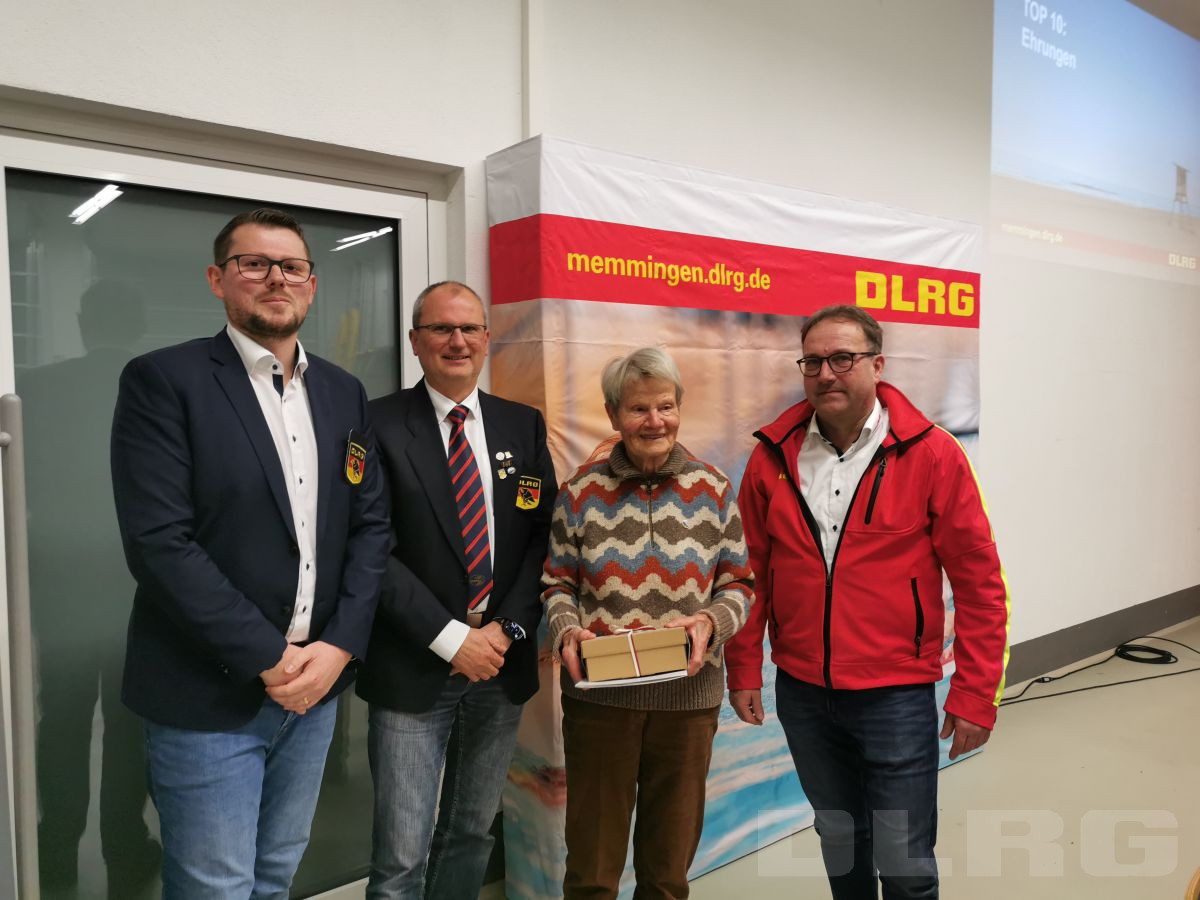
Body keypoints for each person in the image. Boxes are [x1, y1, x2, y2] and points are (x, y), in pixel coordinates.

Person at [110, 208, 391, 898]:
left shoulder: (343, 392)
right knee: (216, 886)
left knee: (275, 875)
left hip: (316, 691)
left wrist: (339, 647)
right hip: (207, 692)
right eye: (254, 264)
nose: (276, 279)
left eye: (292, 266)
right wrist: (272, 657)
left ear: (312, 285)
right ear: (218, 279)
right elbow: (160, 544)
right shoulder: (164, 381)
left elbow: (370, 528)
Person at [725, 304, 1010, 900]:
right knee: (841, 846)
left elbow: (980, 583)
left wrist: (976, 692)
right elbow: (751, 574)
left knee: (904, 865)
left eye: (842, 358)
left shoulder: (932, 454)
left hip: (895, 697)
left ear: (877, 365)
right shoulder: (772, 457)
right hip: (804, 693)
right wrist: (744, 667)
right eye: (813, 362)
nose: (826, 373)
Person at [355, 280, 556, 899]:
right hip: (414, 664)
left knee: (469, 834)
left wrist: (505, 631)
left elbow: (539, 539)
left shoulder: (521, 425)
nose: (457, 341)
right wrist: (451, 640)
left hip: (500, 662)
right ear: (415, 341)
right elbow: (370, 548)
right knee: (401, 857)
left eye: (469, 328)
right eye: (441, 328)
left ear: (487, 339)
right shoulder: (376, 425)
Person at [543, 347, 755, 900]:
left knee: (667, 874)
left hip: (688, 704)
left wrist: (712, 621)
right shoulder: (579, 493)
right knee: (592, 872)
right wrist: (566, 630)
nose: (654, 421)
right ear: (614, 415)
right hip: (600, 705)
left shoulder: (713, 489)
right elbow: (557, 584)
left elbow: (739, 584)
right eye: (639, 409)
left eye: (665, 406)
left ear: (679, 408)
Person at [23, 280, 160, 895]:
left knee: (61, 719)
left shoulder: (38, 390)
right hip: (134, 583)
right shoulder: (158, 390)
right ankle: (125, 848)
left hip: (60, 584)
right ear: (138, 324)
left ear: (83, 322)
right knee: (129, 724)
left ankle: (53, 851)